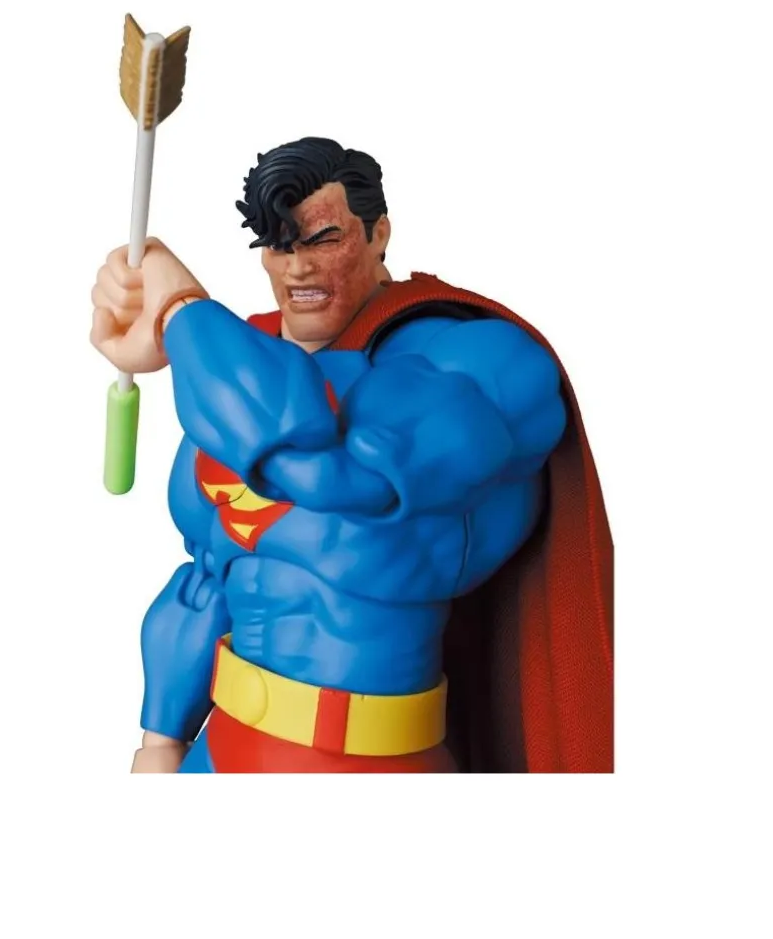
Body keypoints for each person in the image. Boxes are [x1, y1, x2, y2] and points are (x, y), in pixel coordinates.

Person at [90, 137, 613, 773]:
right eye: (279, 246)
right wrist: (161, 741)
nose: (298, 269)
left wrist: (181, 315)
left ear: (378, 233)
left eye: (323, 240)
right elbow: (203, 581)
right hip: (221, 754)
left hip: (378, 762)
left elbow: (346, 474)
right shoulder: (234, 370)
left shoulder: (470, 359)